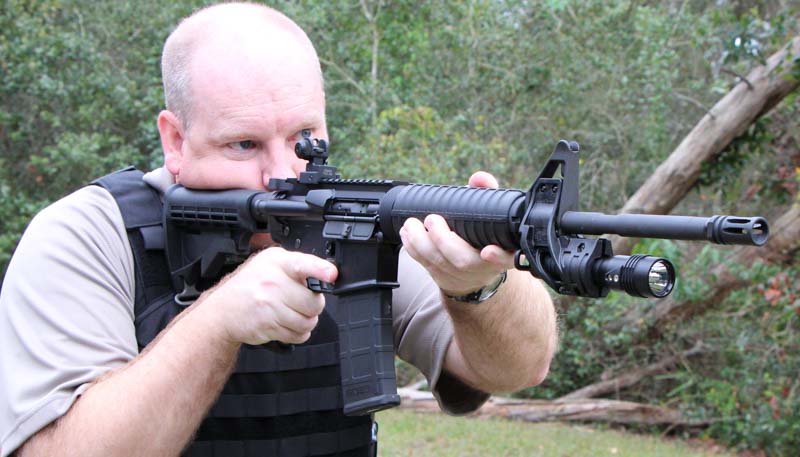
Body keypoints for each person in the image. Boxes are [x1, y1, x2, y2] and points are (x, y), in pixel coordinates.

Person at [0, 3, 557, 456]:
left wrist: (479, 286)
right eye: (243, 144)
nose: (282, 174)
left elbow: (521, 367)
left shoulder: (348, 215)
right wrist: (216, 321)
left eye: (302, 137)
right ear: (175, 140)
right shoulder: (90, 237)